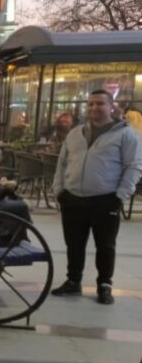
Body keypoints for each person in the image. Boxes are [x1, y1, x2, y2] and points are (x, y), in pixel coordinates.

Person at [51, 90, 142, 305]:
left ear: (111, 106)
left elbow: (134, 166)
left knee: (105, 245)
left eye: (100, 104)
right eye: (91, 104)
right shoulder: (76, 133)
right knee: (74, 244)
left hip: (105, 199)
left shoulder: (126, 134)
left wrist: (120, 195)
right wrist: (59, 190)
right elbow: (62, 163)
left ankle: (104, 285)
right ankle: (73, 281)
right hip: (72, 198)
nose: (94, 108)